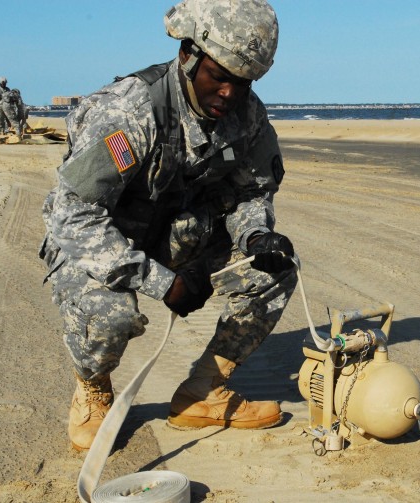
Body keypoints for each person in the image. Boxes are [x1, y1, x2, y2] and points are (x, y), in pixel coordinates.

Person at [39, 0, 297, 452]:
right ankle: (93, 386)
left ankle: (203, 391)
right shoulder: (129, 113)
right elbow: (74, 214)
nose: (229, 94)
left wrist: (255, 235)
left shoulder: (247, 116)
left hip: (179, 234)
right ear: (188, 55)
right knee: (110, 312)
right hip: (101, 240)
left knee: (273, 267)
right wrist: (164, 284)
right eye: (219, 76)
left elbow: (250, 192)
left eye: (243, 82)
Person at [0, 76, 23, 141]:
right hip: (2, 106)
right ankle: (19, 137)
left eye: (5, 83)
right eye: (3, 83)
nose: (4, 84)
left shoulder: (7, 89)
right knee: (14, 122)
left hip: (1, 106)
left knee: (0, 123)